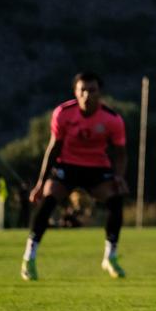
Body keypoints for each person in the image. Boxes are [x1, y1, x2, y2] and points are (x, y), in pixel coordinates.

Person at [21, 72, 128, 281]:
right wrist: (40, 183)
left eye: (92, 90)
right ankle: (29, 258)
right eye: (83, 90)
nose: (87, 94)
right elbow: (53, 148)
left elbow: (121, 153)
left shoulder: (112, 119)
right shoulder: (63, 113)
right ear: (75, 92)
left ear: (100, 92)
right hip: (67, 166)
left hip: (97, 167)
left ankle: (110, 257)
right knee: (48, 199)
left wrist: (119, 177)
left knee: (116, 198)